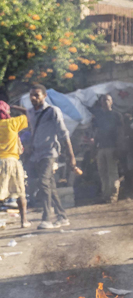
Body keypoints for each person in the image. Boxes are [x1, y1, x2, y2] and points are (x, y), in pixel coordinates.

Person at [26, 84, 80, 229]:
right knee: (50, 186)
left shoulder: (52, 111)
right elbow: (33, 130)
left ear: (44, 96)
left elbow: (64, 134)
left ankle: (46, 218)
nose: (33, 97)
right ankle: (62, 216)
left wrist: (71, 157)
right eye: (31, 95)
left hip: (49, 153)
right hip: (36, 154)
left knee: (43, 183)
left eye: (37, 95)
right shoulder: (30, 112)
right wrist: (30, 146)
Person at [0, 101, 30, 227]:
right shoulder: (12, 123)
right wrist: (14, 107)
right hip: (11, 161)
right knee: (20, 192)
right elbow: (30, 114)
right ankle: (24, 221)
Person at [91, 94, 123, 203]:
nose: (106, 102)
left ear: (112, 102)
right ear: (101, 102)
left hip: (112, 147)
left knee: (112, 171)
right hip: (101, 148)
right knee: (102, 172)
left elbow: (120, 133)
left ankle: (113, 195)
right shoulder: (98, 117)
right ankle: (105, 194)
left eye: (108, 100)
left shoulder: (116, 115)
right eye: (103, 100)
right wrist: (94, 147)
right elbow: (95, 133)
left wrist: (119, 147)